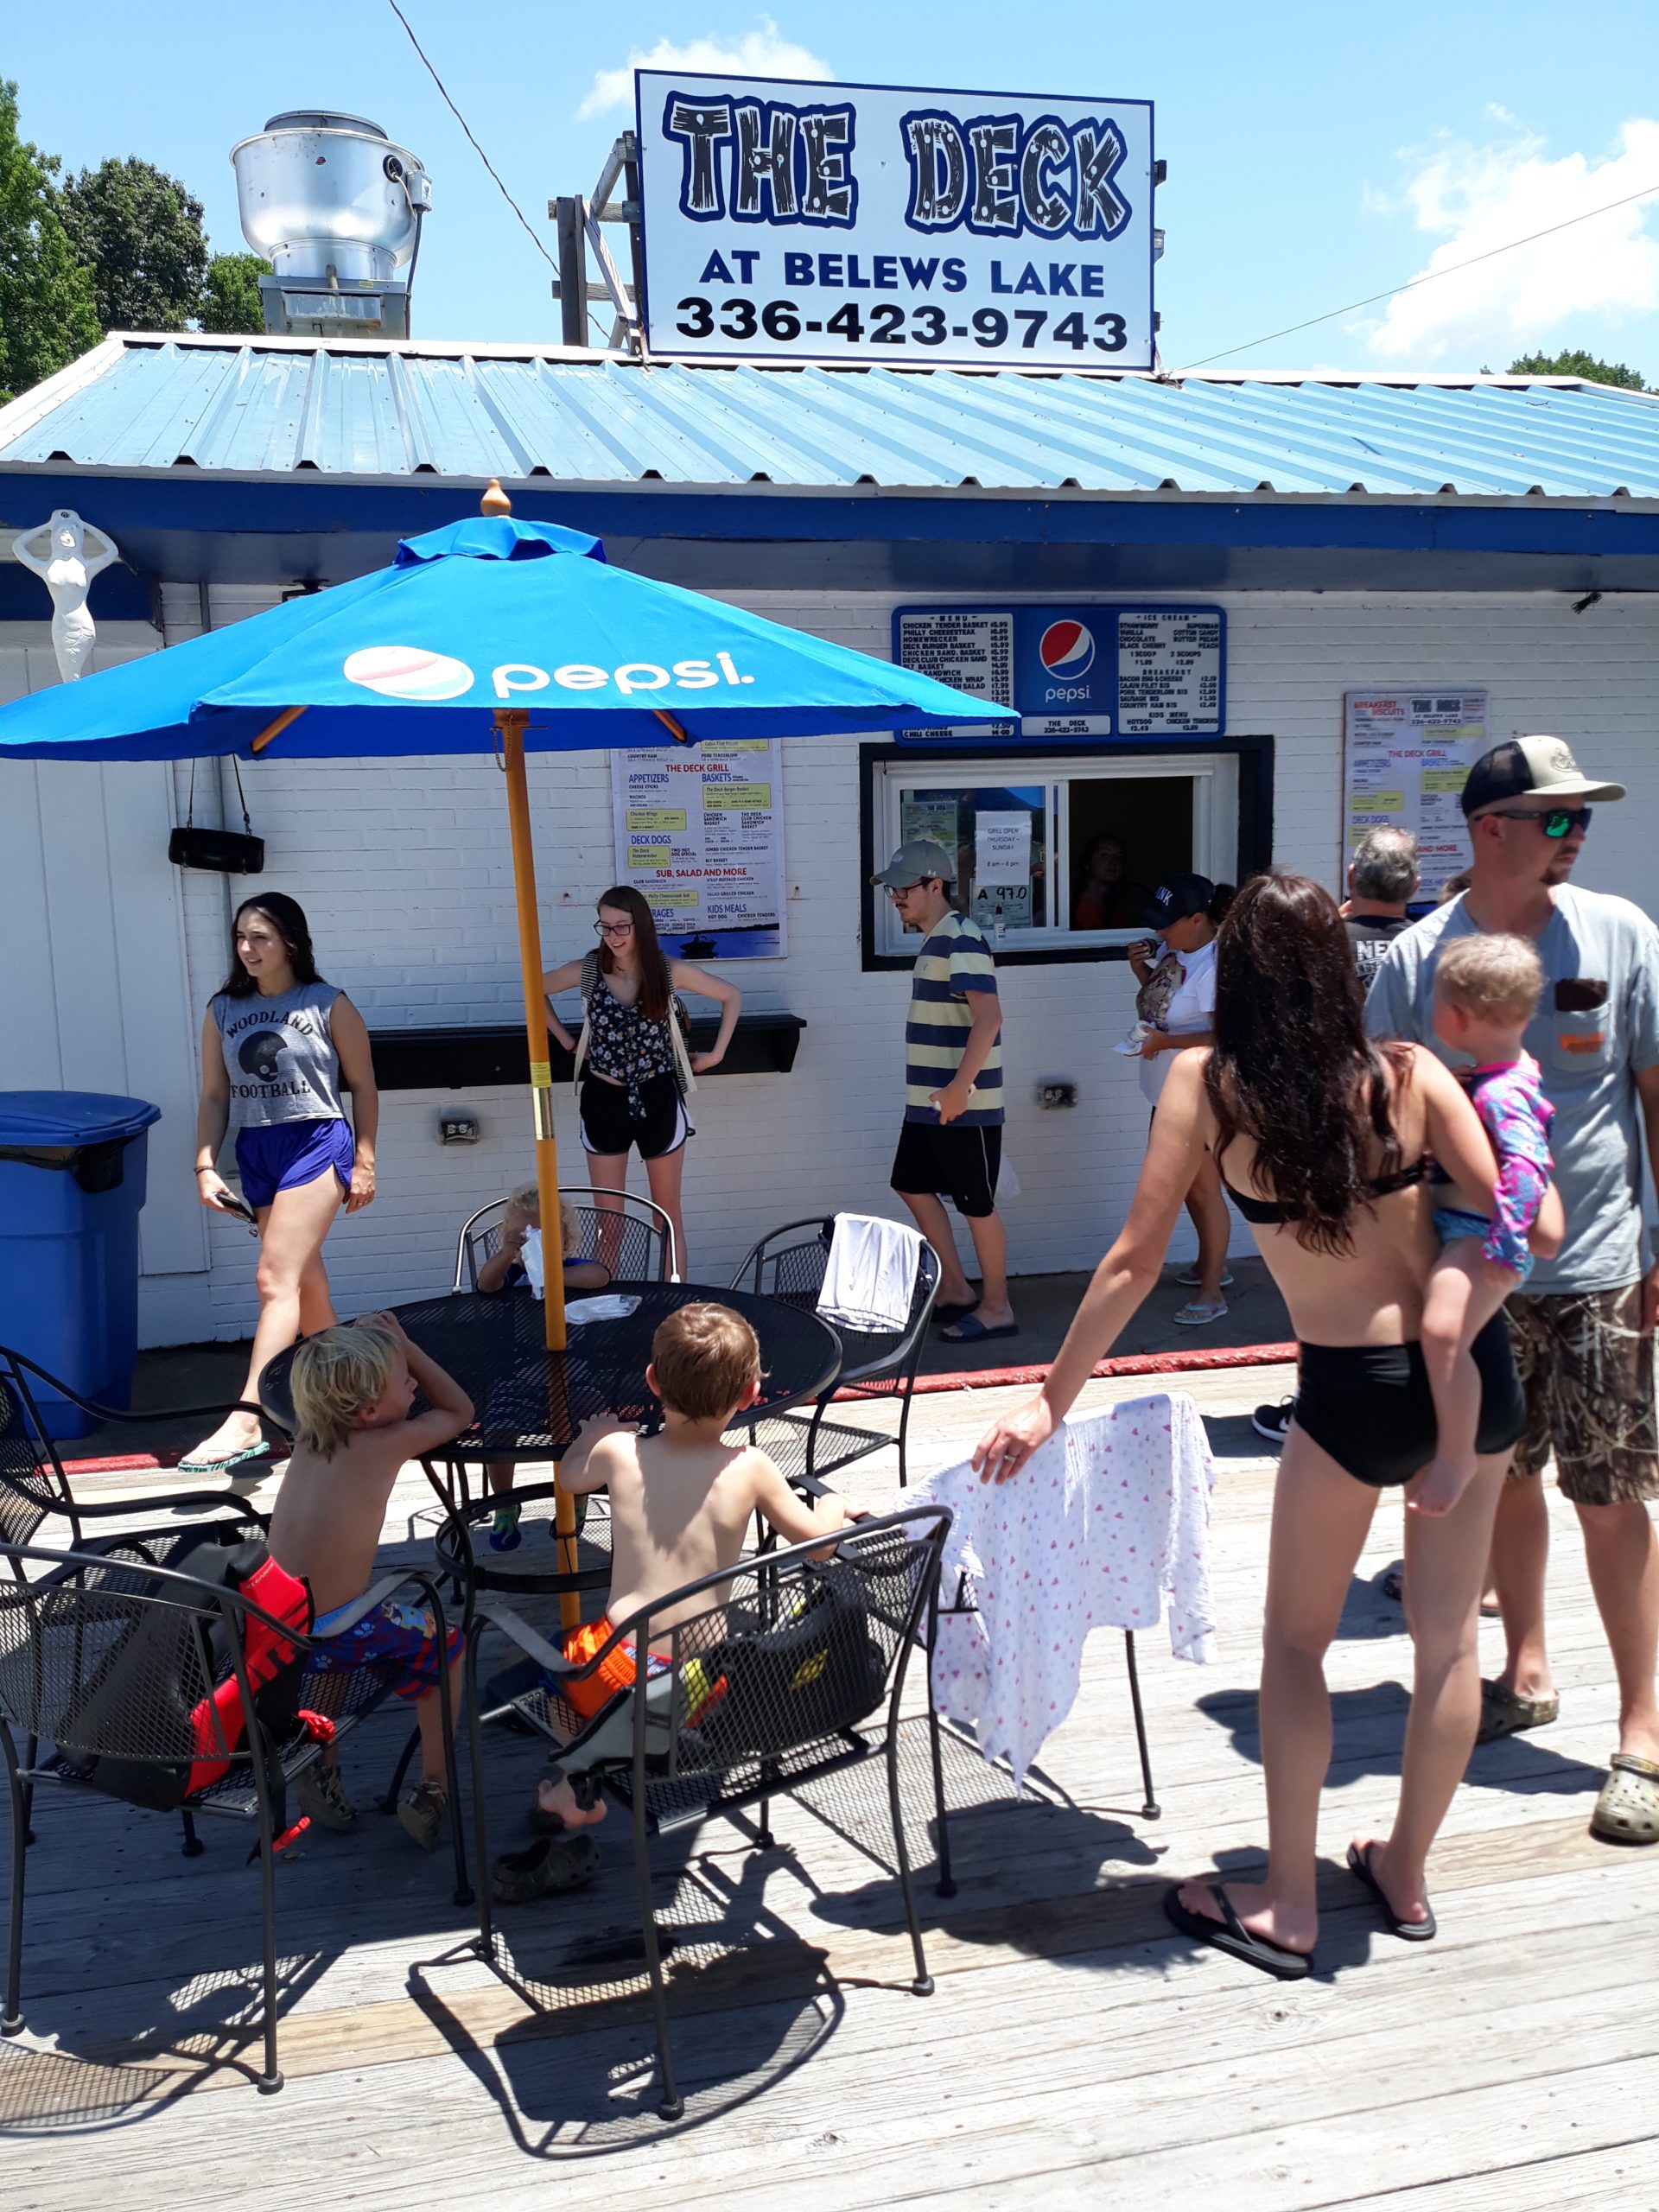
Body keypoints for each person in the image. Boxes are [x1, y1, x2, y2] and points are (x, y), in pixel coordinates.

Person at [974, 871, 1557, 1976]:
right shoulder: (1413, 1072)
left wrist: (1051, 1397)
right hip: (1466, 1370)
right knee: (1450, 1642)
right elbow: (1513, 1217)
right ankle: (1406, 1873)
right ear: (1343, 974)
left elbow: (1135, 1259)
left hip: (1348, 1390)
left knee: (1295, 1644)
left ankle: (1290, 1903)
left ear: (1236, 976)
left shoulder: (1208, 1084)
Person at [1367, 735, 1659, 1846]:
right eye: (1554, 816)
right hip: (1469, 1272)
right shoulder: (1418, 957)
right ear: (1489, 827)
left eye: (1582, 815)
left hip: (1596, 1267)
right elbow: (1387, 1119)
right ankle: (1525, 1670)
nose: (1575, 832)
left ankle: (1643, 1736)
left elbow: (1653, 1088)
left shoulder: (1622, 933)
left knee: (1613, 1491)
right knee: (1503, 1479)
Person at [495, 1304, 854, 1892]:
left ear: (654, 1381)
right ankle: (592, 1771)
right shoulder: (752, 1468)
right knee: (631, 1693)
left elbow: (568, 1479)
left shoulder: (621, 1452)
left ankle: (573, 1784)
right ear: (750, 1392)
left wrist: (594, 1435)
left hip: (612, 1677)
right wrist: (832, 1506)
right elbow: (819, 1548)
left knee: (549, 1679)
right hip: (699, 1690)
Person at [184, 894, 378, 1473]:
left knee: (275, 1279)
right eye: (241, 938)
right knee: (307, 1291)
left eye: (260, 938)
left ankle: (248, 1417)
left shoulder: (327, 1004)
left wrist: (365, 1161)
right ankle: (356, 1399)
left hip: (316, 1143)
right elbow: (215, 1095)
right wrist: (205, 1164)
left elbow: (364, 1086)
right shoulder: (222, 1009)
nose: (247, 948)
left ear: (290, 941)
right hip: (258, 1150)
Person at [271, 1313, 474, 1848]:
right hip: (336, 1627)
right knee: (448, 1643)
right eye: (402, 1377)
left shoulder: (309, 1435)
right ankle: (435, 1787)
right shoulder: (385, 1442)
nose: (411, 1378)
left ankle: (319, 1763)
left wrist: (391, 1358)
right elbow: (460, 1410)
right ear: (368, 1412)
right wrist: (409, 1344)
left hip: (276, 1624)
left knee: (338, 1640)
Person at [1414, 937, 1554, 1517]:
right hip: (1468, 1226)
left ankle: (1455, 1456)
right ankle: (1452, 1446)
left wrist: (1505, 1240)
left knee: (1444, 1332)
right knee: (1448, 1336)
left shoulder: (1502, 1093)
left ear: (1454, 1017)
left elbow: (1525, 1169)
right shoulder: (1496, 1076)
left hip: (1481, 1232)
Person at [543, 887, 741, 1276]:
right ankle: (608, 1304)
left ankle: (672, 1305)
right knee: (608, 1223)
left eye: (622, 927)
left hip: (658, 1096)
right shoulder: (588, 969)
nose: (613, 936)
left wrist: (717, 1054)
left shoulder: (667, 971)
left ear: (641, 926)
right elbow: (532, 988)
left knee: (666, 1217)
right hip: (603, 1099)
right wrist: (565, 1039)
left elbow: (730, 995)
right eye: (605, 927)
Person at [871, 839, 1016, 1344]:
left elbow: (990, 1017)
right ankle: (955, 1288)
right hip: (929, 1104)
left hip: (963, 1107)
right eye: (891, 890)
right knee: (909, 1182)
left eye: (903, 888)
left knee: (977, 1204)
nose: (895, 898)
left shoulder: (962, 937)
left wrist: (960, 1088)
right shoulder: (935, 940)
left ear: (937, 885)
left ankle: (998, 1307)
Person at [475, 1184, 612, 1552]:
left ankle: (578, 1493)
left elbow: (600, 1277)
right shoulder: (512, 1277)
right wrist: (507, 1254)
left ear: (565, 1240)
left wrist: (551, 1274)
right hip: (520, 1374)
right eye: (524, 1236)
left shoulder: (573, 1270)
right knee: (498, 1426)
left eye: (543, 1235)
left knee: (587, 1414)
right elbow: (485, 1285)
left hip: (573, 1372)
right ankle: (505, 1503)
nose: (532, 1243)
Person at [1135, 874, 1236, 1325]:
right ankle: (1207, 1267)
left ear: (1198, 919)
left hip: (1200, 1095)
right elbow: (1165, 1007)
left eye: (1168, 922)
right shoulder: (1181, 954)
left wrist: (1165, 1044)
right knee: (1193, 1189)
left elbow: (1225, 1035)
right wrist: (1141, 972)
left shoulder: (1215, 965)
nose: (1159, 931)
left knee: (1203, 1188)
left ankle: (1213, 1292)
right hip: (1170, 1091)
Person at [1344, 828, 1421, 987]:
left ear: (1351, 878)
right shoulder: (1431, 946)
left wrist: (1329, 927)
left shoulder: (1327, 943)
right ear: (1414, 887)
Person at [1072, 833, 1152, 931]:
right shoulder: (1064, 903)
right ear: (1087, 863)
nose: (1114, 861)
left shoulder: (1127, 908)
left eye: (1120, 857)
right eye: (1104, 855)